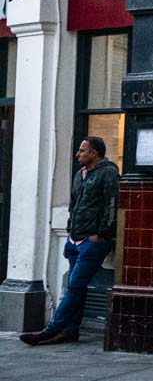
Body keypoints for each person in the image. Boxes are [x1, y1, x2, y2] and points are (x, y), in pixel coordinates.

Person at [21, 138, 119, 347]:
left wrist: (102, 233)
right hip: (75, 237)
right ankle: (70, 330)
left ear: (94, 153)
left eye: (82, 151)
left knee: (74, 286)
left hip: (93, 240)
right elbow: (74, 204)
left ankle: (51, 330)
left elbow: (112, 204)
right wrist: (69, 228)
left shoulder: (108, 172)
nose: (78, 154)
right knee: (77, 287)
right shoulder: (79, 174)